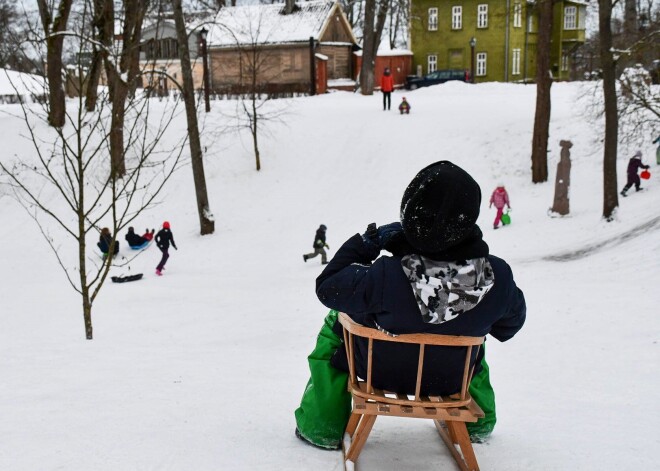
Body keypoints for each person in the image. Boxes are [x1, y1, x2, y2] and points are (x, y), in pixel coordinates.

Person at [294, 161, 526, 449]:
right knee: (475, 333)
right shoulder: (496, 278)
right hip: (450, 382)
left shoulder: (387, 275)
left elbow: (328, 287)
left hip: (380, 373)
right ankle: (476, 422)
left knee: (336, 320)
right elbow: (509, 328)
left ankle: (322, 425)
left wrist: (369, 242)